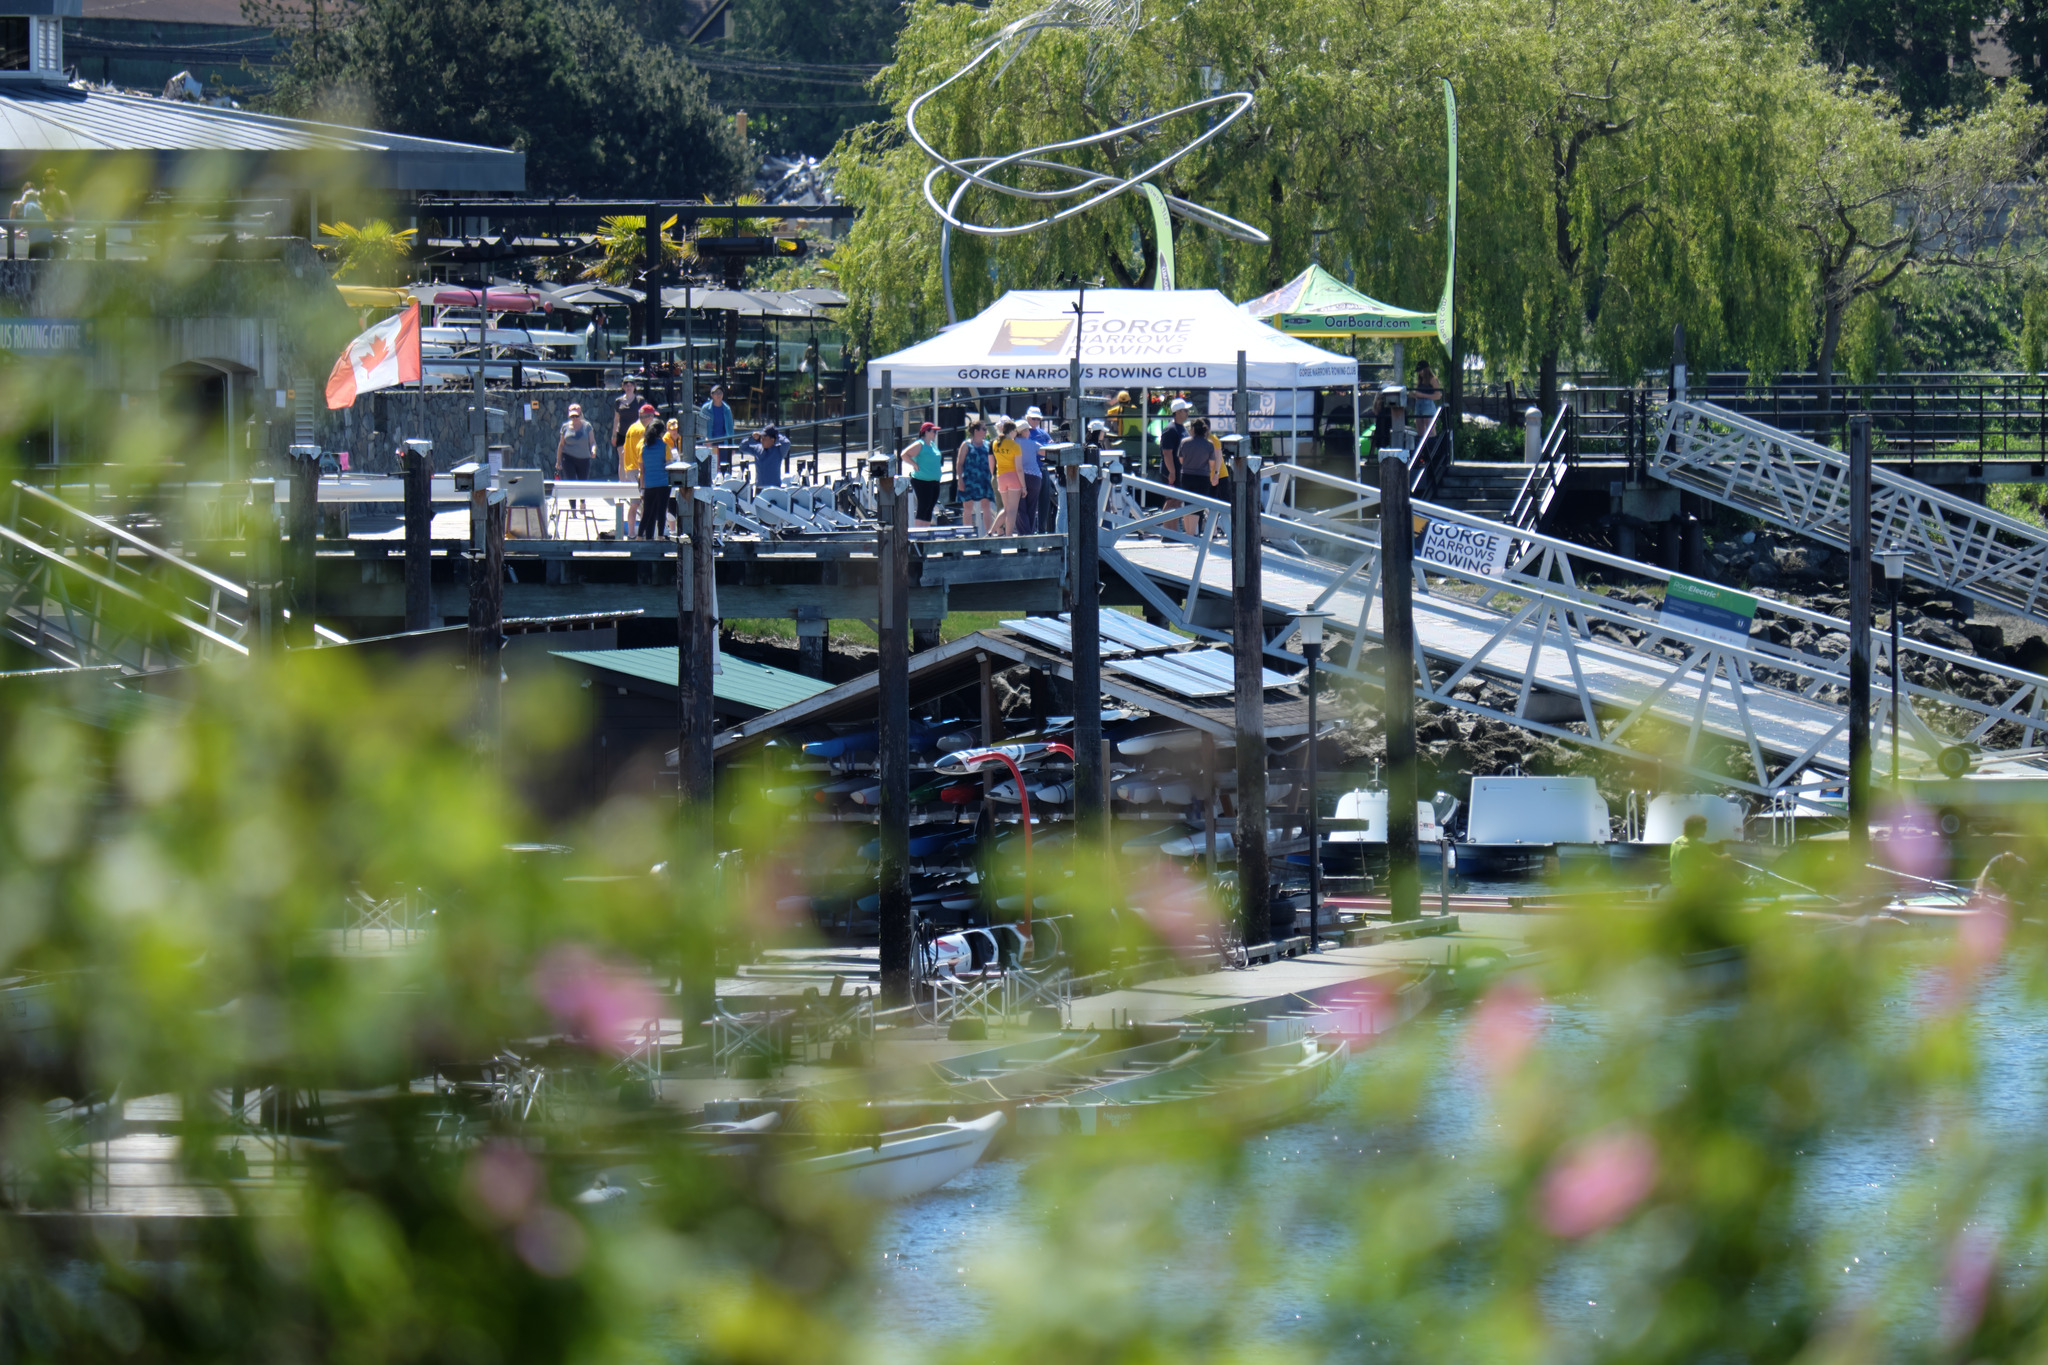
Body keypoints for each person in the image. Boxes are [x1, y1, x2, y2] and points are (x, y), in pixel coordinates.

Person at [1176, 418, 1220, 534]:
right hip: (1202, 477)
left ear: (1193, 429)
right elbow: (1211, 464)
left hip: (1186, 475)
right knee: (1198, 505)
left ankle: (1188, 532)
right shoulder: (1209, 445)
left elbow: (1181, 460)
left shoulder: (1184, 442)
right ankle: (1193, 532)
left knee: (1187, 503)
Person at [1667, 813, 1729, 891]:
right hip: (1691, 886)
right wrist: (1727, 856)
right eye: (1704, 827)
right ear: (1696, 829)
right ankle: (1744, 892)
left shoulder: (1675, 842)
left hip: (1677, 883)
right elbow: (1717, 860)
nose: (1706, 829)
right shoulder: (1698, 845)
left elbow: (1693, 846)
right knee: (1722, 871)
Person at [901, 420, 944, 528]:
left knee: (930, 507)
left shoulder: (933, 444)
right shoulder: (920, 444)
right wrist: (914, 464)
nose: (935, 434)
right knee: (923, 507)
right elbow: (904, 454)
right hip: (922, 481)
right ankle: (918, 533)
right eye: (933, 431)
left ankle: (925, 532)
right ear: (926, 432)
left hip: (934, 481)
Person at [637, 408, 672, 539]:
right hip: (663, 483)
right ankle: (661, 536)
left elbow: (642, 470)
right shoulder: (664, 446)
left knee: (647, 512)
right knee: (661, 511)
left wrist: (642, 488)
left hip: (649, 484)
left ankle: (640, 536)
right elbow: (669, 465)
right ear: (661, 432)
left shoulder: (643, 448)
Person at [1016, 406, 1051, 534]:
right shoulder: (1027, 441)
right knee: (1028, 505)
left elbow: (1050, 447)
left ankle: (1037, 530)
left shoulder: (1043, 433)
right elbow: (1045, 451)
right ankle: (1029, 532)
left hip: (1041, 469)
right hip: (1032, 472)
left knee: (1042, 501)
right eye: (1033, 418)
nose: (1036, 421)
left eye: (1038, 419)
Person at [556, 403, 597, 511]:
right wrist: (558, 460)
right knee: (571, 482)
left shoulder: (587, 426)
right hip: (568, 457)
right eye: (572, 416)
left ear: (580, 415)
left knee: (582, 482)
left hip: (583, 458)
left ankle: (582, 502)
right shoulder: (565, 427)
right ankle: (572, 508)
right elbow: (561, 445)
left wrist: (593, 450)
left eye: (576, 416)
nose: (574, 418)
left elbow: (592, 442)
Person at [620, 400, 655, 529]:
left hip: (630, 468)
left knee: (633, 504)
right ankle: (644, 532)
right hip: (639, 470)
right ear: (648, 417)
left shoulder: (632, 427)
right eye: (653, 416)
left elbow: (624, 450)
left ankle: (631, 533)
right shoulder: (642, 430)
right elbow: (644, 451)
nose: (653, 420)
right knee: (645, 503)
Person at [956, 419, 994, 534]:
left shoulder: (988, 444)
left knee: (986, 506)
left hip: (985, 480)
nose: (985, 431)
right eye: (983, 429)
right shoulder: (966, 444)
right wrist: (960, 480)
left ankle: (989, 533)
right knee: (967, 506)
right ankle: (967, 533)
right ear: (976, 431)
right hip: (969, 479)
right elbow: (960, 463)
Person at [1159, 397, 1192, 532]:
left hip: (1180, 471)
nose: (1187, 413)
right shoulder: (1170, 429)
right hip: (1172, 470)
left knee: (1177, 501)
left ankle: (1173, 532)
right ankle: (1167, 531)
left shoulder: (1181, 428)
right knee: (1172, 500)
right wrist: (1171, 472)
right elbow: (1167, 452)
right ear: (1178, 412)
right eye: (1185, 410)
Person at [991, 420, 1024, 535]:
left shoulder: (995, 443)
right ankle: (1008, 536)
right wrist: (1024, 487)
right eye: (1016, 431)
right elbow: (1019, 468)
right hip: (1013, 477)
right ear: (1011, 431)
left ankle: (991, 531)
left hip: (1001, 477)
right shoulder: (1015, 446)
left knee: (1005, 509)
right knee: (1012, 510)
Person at [742, 424, 790, 490]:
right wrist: (752, 438)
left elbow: (786, 443)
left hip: (774, 488)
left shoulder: (779, 451)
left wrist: (776, 435)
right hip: (759, 487)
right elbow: (742, 448)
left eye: (765, 438)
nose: (762, 440)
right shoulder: (757, 448)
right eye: (761, 438)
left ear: (772, 440)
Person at [701, 385, 736, 471]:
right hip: (710, 442)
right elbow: (701, 425)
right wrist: (705, 439)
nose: (718, 395)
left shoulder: (726, 409)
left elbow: (730, 429)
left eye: (720, 393)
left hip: (723, 442)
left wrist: (732, 446)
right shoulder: (705, 409)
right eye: (715, 393)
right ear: (712, 395)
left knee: (724, 467)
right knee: (711, 469)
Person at [610, 375, 639, 476]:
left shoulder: (640, 400)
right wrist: (614, 435)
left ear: (634, 387)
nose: (628, 387)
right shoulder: (619, 401)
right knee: (622, 459)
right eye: (626, 385)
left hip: (635, 434)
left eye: (631, 385)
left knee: (635, 458)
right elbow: (616, 418)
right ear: (623, 387)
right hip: (622, 433)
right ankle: (622, 483)